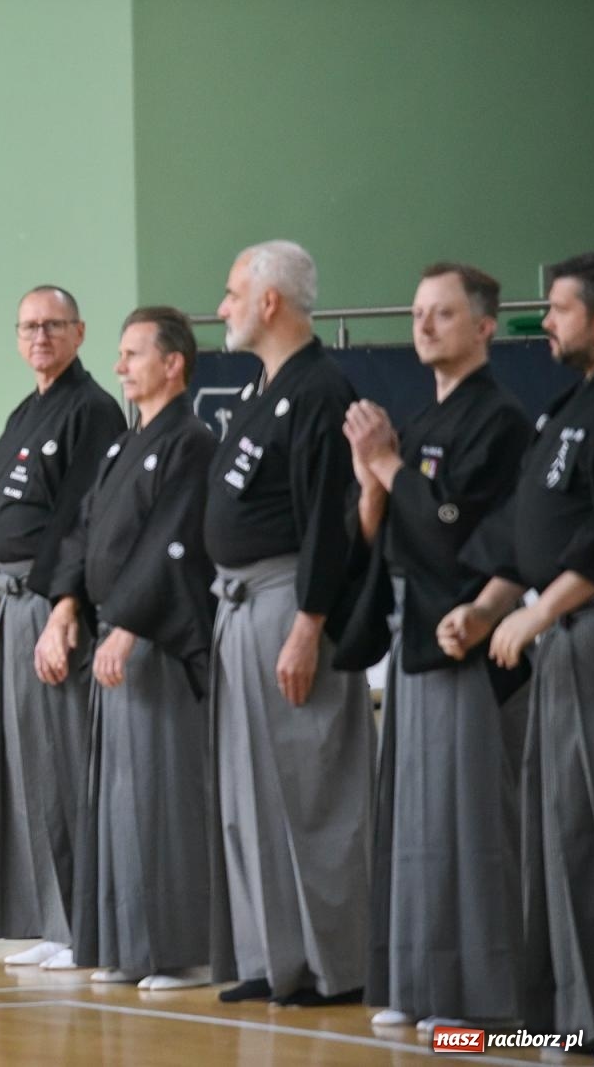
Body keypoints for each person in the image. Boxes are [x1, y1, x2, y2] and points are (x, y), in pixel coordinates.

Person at [338, 264, 531, 1031]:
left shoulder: (502, 422)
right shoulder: (420, 421)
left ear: (484, 326)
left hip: (473, 643)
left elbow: (457, 537)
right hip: (414, 638)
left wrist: (387, 466)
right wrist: (371, 485)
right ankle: (420, 987)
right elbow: (387, 537)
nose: (423, 326)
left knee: (471, 827)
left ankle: (487, 1005)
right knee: (415, 826)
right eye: (417, 313)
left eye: (441, 313)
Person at [203, 240, 372, 1007]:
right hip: (237, 606)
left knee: (308, 790)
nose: (222, 308)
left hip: (285, 604)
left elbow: (328, 526)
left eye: (234, 293)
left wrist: (309, 624)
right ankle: (275, 960)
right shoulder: (258, 389)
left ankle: (335, 967)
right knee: (249, 796)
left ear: (270, 301)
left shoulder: (318, 390)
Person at [436, 250, 594, 1051]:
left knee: (589, 826)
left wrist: (536, 616)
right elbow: (520, 533)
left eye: (562, 309)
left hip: (583, 633)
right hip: (551, 634)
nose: (549, 323)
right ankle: (564, 1017)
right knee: (558, 828)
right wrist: (487, 605)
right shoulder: (565, 408)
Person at [40, 306, 216, 990]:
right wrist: (64, 610)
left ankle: (186, 952)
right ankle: (127, 946)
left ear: (172, 364)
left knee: (163, 798)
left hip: (160, 641)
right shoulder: (123, 445)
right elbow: (84, 535)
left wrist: (131, 627)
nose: (119, 367)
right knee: (117, 805)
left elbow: (172, 543)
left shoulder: (191, 442)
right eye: (119, 354)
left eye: (133, 354)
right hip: (112, 630)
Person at [0, 285, 122, 969]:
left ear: (79, 332)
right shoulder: (26, 410)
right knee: (27, 771)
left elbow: (81, 521)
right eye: (28, 326)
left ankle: (86, 926)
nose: (40, 337)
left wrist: (64, 609)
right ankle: (54, 922)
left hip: (56, 609)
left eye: (53, 325)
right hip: (12, 605)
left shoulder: (94, 411)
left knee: (62, 766)